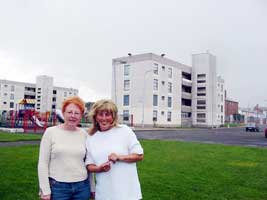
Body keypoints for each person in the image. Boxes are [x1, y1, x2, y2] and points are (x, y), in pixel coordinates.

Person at [38, 96, 94, 200]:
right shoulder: (50, 132)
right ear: (63, 113)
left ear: (81, 115)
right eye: (69, 112)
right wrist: (45, 190)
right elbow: (42, 163)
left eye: (77, 113)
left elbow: (88, 163)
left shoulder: (85, 135)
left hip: (82, 188)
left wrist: (92, 188)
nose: (73, 116)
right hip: (58, 188)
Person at [85, 99, 144, 200]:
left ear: (113, 117)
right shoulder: (91, 137)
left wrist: (119, 157)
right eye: (100, 114)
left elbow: (139, 155)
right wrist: (99, 168)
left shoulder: (124, 130)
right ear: (95, 117)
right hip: (104, 193)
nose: (104, 118)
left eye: (107, 114)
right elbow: (89, 165)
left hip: (128, 193)